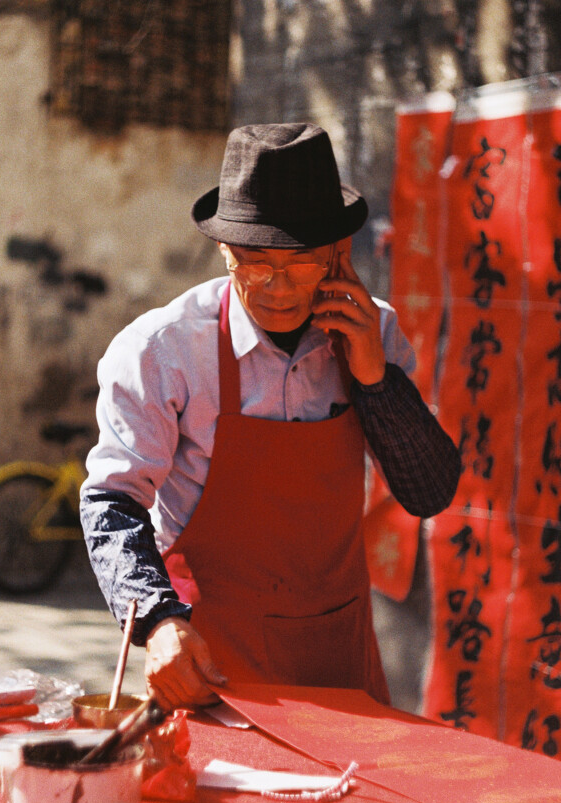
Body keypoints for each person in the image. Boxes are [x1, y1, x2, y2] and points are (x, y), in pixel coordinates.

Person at [81, 123, 461, 711]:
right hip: (209, 657)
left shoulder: (373, 332)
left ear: (339, 254)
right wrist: (155, 621)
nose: (277, 288)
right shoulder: (163, 350)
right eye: (255, 263)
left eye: (302, 263)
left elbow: (429, 492)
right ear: (223, 251)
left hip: (341, 658)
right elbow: (111, 502)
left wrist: (373, 377)